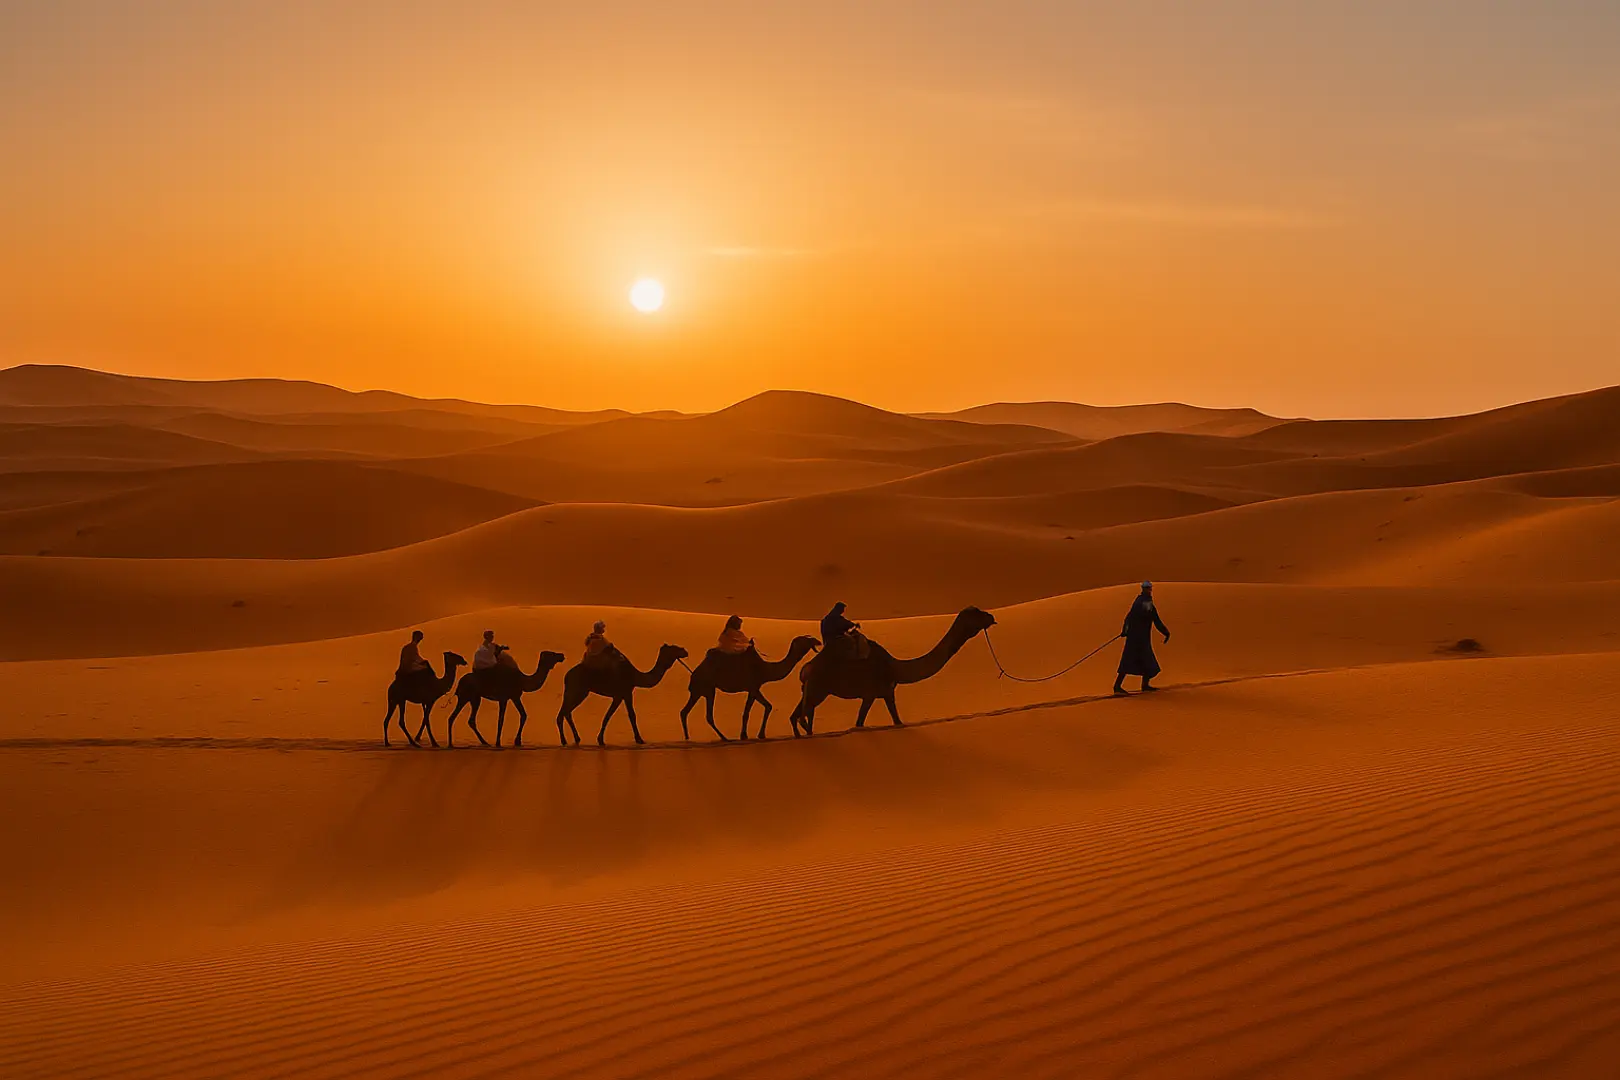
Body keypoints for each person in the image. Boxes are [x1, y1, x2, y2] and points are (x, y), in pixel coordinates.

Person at [1114, 581, 1170, 695]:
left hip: (1143, 638)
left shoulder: (1148, 602)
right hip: (1135, 637)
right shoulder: (1139, 602)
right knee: (1128, 660)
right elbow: (1129, 617)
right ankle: (1117, 687)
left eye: (1150, 588)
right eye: (1147, 588)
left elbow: (1156, 620)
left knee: (1147, 660)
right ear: (1143, 589)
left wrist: (1165, 632)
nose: (1149, 590)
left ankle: (1145, 685)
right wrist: (1125, 630)